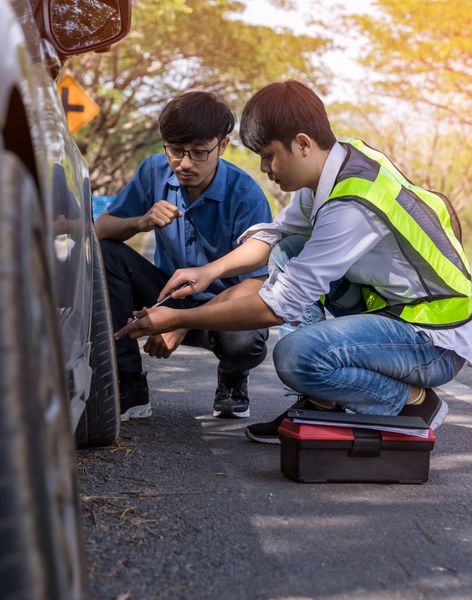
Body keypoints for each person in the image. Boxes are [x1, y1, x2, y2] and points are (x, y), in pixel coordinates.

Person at [115, 80, 472, 444]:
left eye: (269, 155)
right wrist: (209, 272)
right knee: (290, 248)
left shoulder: (350, 205)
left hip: (432, 339)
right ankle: (319, 405)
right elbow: (274, 235)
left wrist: (178, 319)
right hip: (393, 313)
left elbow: (277, 306)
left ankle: (412, 402)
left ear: (302, 143)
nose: (265, 167)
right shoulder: (339, 164)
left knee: (296, 358)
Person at [96, 91, 273, 421]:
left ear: (222, 145)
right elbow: (101, 229)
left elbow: (259, 283)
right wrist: (141, 221)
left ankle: (233, 379)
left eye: (199, 152)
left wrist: (180, 323)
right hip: (169, 295)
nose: (185, 163)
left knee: (245, 342)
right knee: (107, 255)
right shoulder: (154, 170)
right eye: (175, 150)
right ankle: (129, 385)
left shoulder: (246, 194)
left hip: (225, 308)